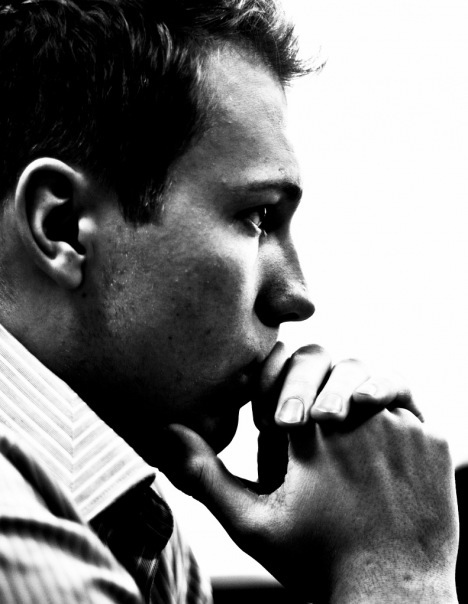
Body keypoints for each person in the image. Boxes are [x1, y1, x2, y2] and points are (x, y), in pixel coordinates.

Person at [0, 0, 459, 602]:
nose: (296, 297)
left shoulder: (133, 525)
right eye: (258, 217)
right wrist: (397, 570)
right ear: (62, 227)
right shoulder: (18, 534)